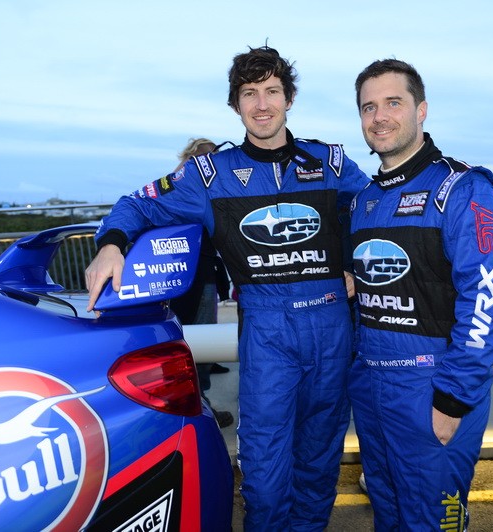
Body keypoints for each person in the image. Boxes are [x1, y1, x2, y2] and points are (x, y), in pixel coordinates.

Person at [85, 45, 370, 530]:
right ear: (235, 105)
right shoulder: (208, 175)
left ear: (289, 99)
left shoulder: (331, 163)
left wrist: (354, 264)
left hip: (332, 328)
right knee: (262, 469)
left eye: (272, 92)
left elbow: (375, 212)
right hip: (267, 332)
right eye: (250, 94)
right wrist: (111, 245)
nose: (262, 104)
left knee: (319, 463)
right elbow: (135, 203)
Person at [347, 58, 493, 530]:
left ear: (421, 110)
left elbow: (491, 302)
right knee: (389, 509)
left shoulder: (463, 190)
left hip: (431, 390)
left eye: (393, 103)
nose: (379, 116)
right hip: (373, 386)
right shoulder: (366, 199)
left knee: (434, 521)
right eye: (368, 107)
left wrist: (452, 400)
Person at [168, 138, 233, 429]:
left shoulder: (177, 186)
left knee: (192, 334)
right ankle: (200, 404)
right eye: (207, 157)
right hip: (191, 274)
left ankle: (196, 396)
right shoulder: (190, 184)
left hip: (189, 273)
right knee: (197, 337)